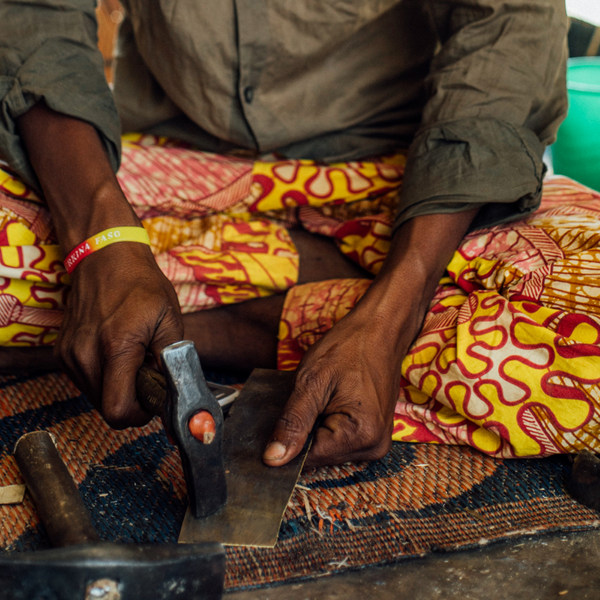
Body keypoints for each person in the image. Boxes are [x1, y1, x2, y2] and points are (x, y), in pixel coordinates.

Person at [0, 0, 568, 468]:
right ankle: (326, 303)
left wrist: (395, 312)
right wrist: (103, 243)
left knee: (574, 326)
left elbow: (508, 26)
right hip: (164, 165)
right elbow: (35, 21)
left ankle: (135, 334)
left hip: (399, 180)